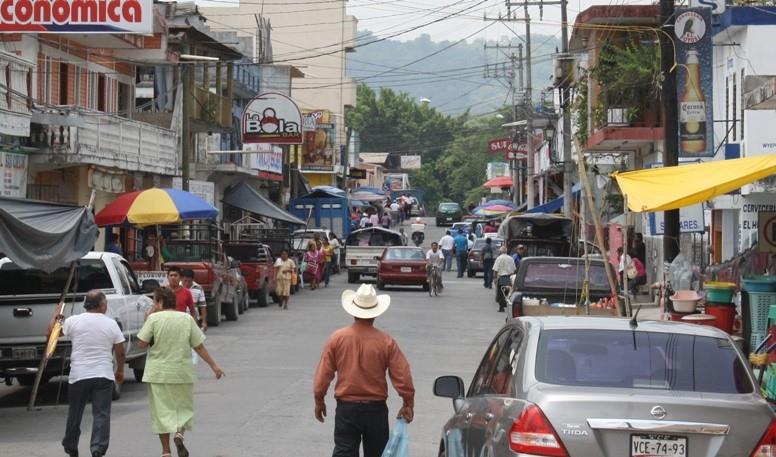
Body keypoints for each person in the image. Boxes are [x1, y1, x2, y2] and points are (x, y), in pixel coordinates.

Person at [314, 284, 415, 457]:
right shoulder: (386, 341)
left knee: (344, 452)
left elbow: (323, 374)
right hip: (376, 410)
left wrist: (319, 400)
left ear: (353, 311)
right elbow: (403, 376)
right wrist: (408, 403)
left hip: (347, 410)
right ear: (375, 313)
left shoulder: (337, 338)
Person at [137, 287, 224, 457]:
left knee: (161, 412)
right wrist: (214, 366)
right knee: (183, 408)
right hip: (181, 372)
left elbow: (141, 343)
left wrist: (149, 316)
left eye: (155, 300)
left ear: (160, 302)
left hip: (157, 373)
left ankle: (166, 451)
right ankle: (179, 434)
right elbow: (198, 345)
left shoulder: (153, 319)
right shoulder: (186, 319)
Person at [53, 290, 125, 457]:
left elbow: (53, 333)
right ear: (101, 305)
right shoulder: (111, 324)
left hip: (78, 375)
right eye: (105, 302)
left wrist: (56, 316)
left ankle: (71, 443)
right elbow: (120, 351)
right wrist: (120, 370)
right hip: (103, 375)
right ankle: (98, 449)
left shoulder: (72, 321)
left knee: (75, 411)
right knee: (101, 414)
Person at [492, 247, 517, 312]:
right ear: (506, 251)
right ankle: (508, 307)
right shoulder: (511, 258)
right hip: (509, 278)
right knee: (508, 294)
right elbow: (514, 269)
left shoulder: (499, 258)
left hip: (501, 278)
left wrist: (495, 278)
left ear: (500, 252)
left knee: (500, 294)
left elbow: (495, 270)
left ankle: (501, 307)